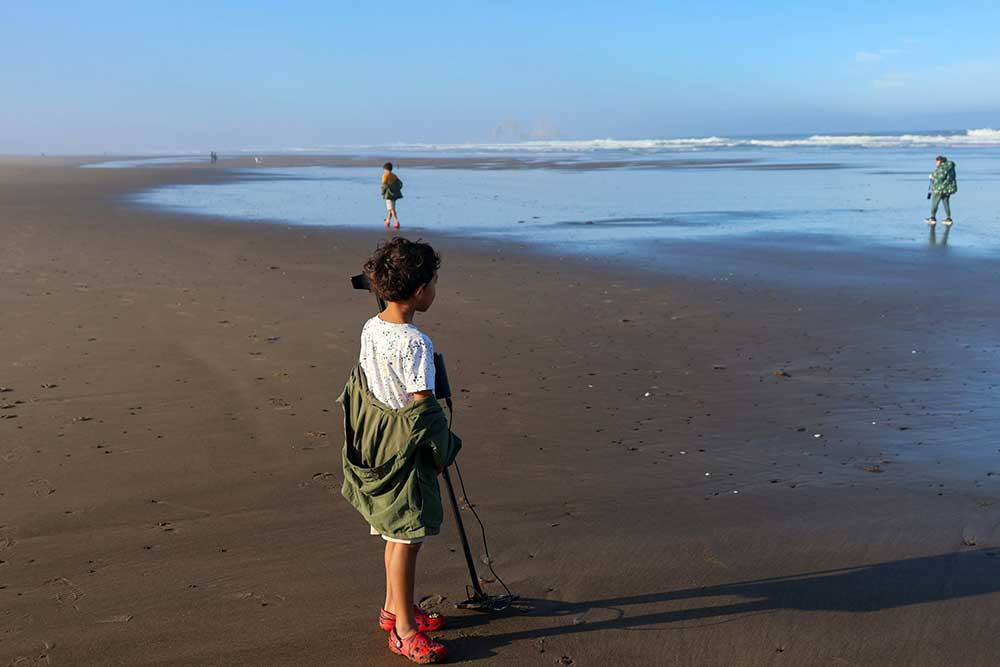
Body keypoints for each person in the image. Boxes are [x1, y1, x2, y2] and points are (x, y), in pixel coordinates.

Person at [339, 238, 460, 664]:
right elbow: (423, 406)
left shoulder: (371, 327)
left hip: (377, 440)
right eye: (434, 283)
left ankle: (395, 610)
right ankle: (404, 631)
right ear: (420, 289)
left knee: (394, 533)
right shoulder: (415, 344)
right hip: (404, 450)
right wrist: (444, 449)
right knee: (407, 537)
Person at [925, 155, 957, 227]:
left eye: (936, 161)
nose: (935, 163)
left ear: (940, 161)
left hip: (939, 188)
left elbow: (940, 177)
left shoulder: (942, 167)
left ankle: (932, 218)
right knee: (946, 203)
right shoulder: (950, 167)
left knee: (934, 202)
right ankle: (948, 218)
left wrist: (932, 176)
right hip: (948, 189)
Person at [381, 162, 404, 229]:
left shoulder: (385, 175)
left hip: (389, 194)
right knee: (391, 208)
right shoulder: (394, 175)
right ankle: (387, 221)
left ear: (385, 169)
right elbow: (400, 183)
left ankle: (396, 221)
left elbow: (383, 185)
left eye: (384, 169)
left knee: (391, 208)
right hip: (394, 194)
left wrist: (382, 193)